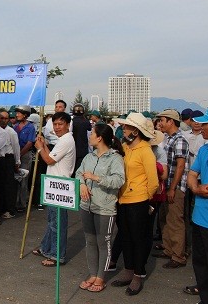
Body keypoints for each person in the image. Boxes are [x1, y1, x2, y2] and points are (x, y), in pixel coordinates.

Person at [110, 112, 158, 296]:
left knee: (139, 239)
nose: (123, 129)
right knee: (125, 236)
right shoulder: (125, 147)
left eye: (127, 127)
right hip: (122, 199)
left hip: (138, 201)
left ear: (136, 132)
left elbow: (153, 181)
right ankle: (128, 269)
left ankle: (139, 273)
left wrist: (144, 198)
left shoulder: (146, 151)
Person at [75, 123, 125, 293]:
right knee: (90, 241)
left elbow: (119, 181)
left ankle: (101, 277)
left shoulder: (115, 158)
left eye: (92, 134)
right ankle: (92, 274)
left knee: (103, 242)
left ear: (99, 138)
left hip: (105, 207)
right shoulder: (89, 157)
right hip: (86, 205)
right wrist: (82, 184)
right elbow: (79, 173)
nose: (89, 137)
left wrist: (96, 178)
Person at [33, 111, 76, 267]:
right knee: (52, 220)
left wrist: (39, 148)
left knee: (57, 222)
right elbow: (52, 155)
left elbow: (49, 159)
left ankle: (57, 255)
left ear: (68, 125)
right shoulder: (62, 140)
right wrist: (43, 144)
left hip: (60, 187)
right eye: (55, 124)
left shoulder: (66, 140)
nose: (57, 127)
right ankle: (46, 247)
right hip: (54, 185)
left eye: (60, 124)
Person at [187, 108, 208, 304]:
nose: (201, 127)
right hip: (199, 217)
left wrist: (197, 187)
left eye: (205, 124)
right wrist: (198, 189)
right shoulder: (204, 149)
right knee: (201, 265)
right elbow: (192, 175)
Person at [155, 109, 189, 269]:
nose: (160, 123)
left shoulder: (180, 140)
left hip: (175, 187)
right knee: (166, 218)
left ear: (171, 121)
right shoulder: (168, 138)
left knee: (175, 220)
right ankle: (168, 249)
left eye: (162, 120)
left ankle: (178, 255)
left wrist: (173, 188)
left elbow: (180, 166)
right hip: (167, 186)